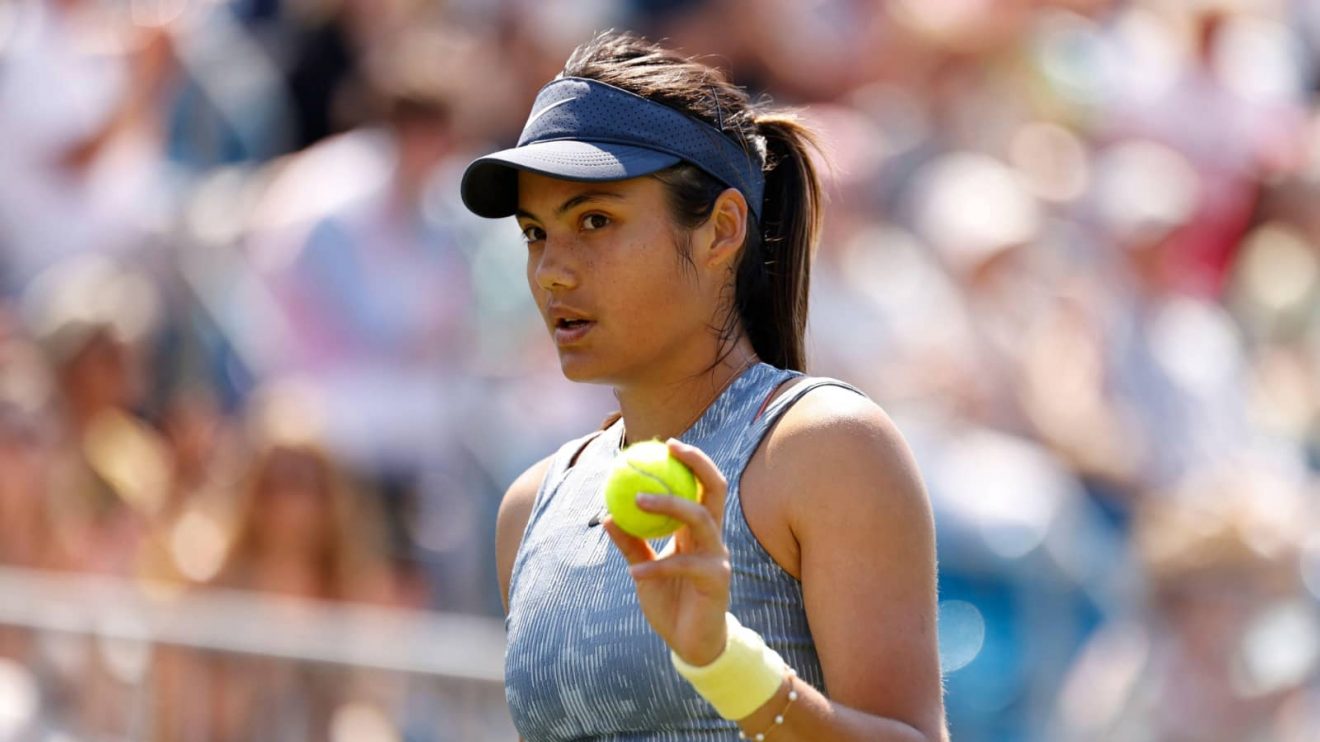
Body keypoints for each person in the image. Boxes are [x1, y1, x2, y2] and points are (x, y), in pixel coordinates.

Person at [460, 31, 945, 741]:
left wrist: (725, 665)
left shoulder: (824, 447)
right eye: (536, 233)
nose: (552, 272)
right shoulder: (530, 506)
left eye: (595, 221)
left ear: (721, 230)